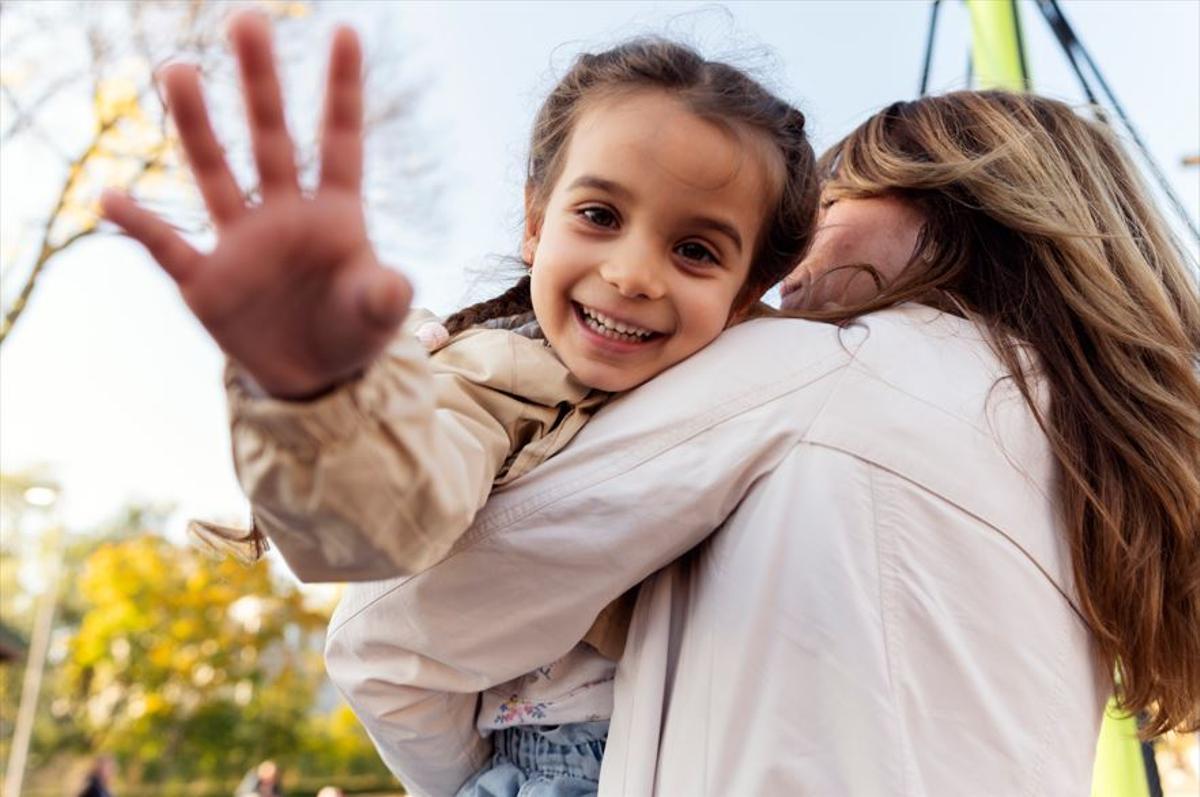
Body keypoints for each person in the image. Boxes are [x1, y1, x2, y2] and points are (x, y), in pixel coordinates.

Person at [322, 91, 1200, 794]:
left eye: (829, 203)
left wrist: (500, 774)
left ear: (951, 209)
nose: (781, 268)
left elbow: (388, 635)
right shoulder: (1101, 479)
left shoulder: (832, 365)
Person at [99, 12, 820, 797]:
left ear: (746, 294)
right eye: (600, 216)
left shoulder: (773, 388)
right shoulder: (499, 376)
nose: (633, 273)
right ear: (535, 224)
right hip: (553, 766)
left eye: (695, 250)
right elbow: (391, 511)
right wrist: (313, 394)